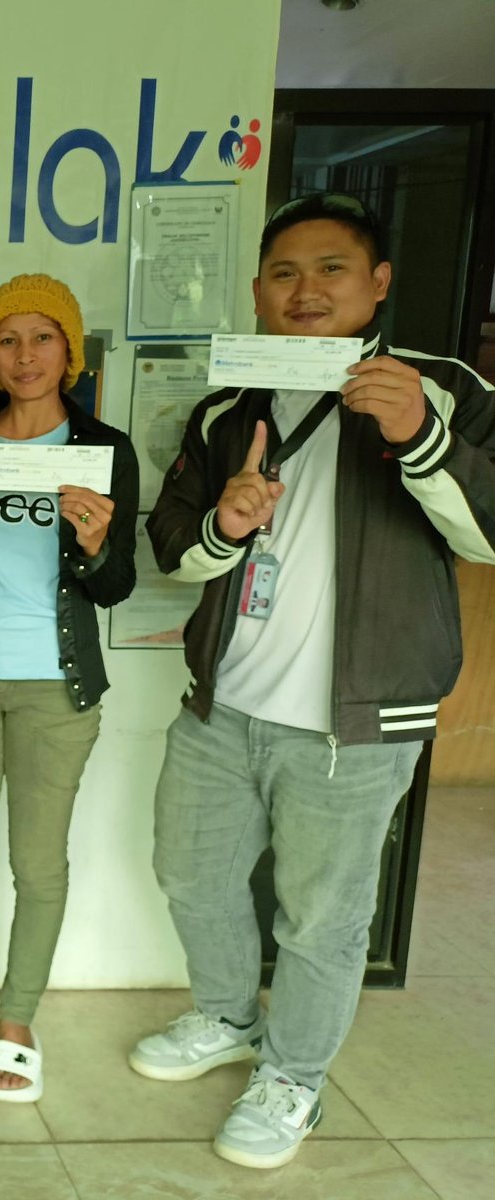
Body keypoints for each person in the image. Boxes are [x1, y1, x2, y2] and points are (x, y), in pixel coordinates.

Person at [134, 193, 495, 1168]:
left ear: (378, 284)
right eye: (285, 273)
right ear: (257, 291)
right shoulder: (229, 406)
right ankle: (226, 1017)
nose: (306, 290)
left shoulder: (441, 389)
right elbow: (171, 544)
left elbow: (487, 534)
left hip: (356, 725)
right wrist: (226, 523)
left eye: (332, 268)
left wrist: (420, 436)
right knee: (191, 875)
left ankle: (293, 1076)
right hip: (222, 709)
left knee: (321, 919)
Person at [0, 275, 138, 1102]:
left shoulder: (105, 450)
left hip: (54, 684)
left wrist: (97, 546)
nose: (25, 355)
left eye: (43, 337)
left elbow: (116, 587)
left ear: (69, 351)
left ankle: (17, 1021)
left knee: (38, 864)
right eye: (7, 339)